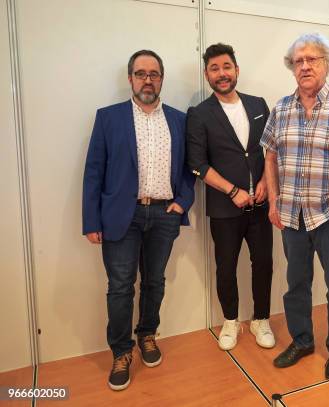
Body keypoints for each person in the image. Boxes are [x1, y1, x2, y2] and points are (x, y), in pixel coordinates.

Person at [82, 50, 194, 391]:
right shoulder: (108, 118)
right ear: (130, 78)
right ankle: (121, 351)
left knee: (155, 282)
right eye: (141, 73)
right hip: (121, 215)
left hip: (163, 214)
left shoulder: (178, 119)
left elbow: (190, 169)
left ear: (161, 79)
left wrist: (181, 203)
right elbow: (94, 171)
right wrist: (91, 220)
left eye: (154, 74)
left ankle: (147, 334)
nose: (148, 79)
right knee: (119, 287)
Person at [260, 33, 329, 379]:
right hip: (291, 215)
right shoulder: (282, 108)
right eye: (299, 61)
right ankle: (302, 341)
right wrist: (273, 201)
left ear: (327, 64)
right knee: (296, 284)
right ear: (292, 68)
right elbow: (270, 155)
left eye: (312, 59)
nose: (305, 66)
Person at [186, 43, 274, 351]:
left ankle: (261, 319)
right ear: (207, 74)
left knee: (263, 262)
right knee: (226, 266)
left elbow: (269, 150)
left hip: (261, 205)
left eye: (226, 67)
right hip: (225, 207)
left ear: (236, 70)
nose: (221, 74)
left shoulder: (258, 103)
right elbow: (197, 163)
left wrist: (266, 181)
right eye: (214, 68)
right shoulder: (199, 114)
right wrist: (233, 191)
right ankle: (231, 321)